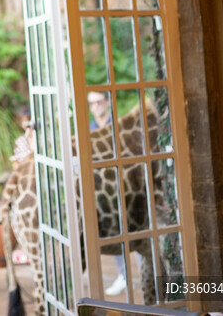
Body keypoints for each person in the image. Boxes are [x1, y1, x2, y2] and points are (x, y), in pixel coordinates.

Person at [88, 91, 128, 297]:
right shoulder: (90, 130)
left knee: (135, 232)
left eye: (98, 102)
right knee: (114, 232)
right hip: (103, 190)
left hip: (125, 185)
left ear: (107, 101)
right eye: (91, 103)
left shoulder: (118, 125)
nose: (95, 106)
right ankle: (124, 275)